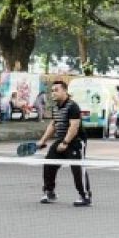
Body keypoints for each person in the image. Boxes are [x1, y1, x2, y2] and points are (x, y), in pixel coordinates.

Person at [36, 79, 91, 207]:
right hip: (61, 140)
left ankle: (85, 196)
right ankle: (50, 192)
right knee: (49, 164)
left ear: (65, 91)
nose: (53, 93)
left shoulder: (73, 106)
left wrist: (65, 143)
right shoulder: (55, 107)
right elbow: (53, 124)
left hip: (75, 141)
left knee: (78, 169)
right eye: (52, 91)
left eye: (56, 90)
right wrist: (42, 141)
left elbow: (74, 127)